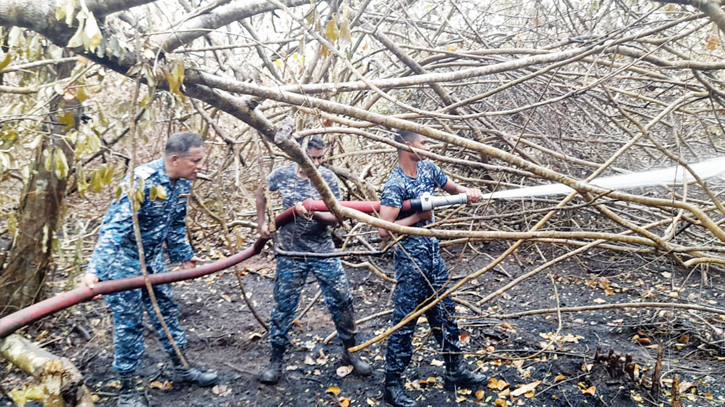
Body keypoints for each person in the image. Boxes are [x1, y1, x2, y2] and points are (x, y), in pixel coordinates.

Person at [80, 132, 218, 407]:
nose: (200, 166)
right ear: (176, 159)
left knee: (167, 314)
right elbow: (114, 227)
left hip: (154, 262)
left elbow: (176, 223)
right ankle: (127, 390)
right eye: (196, 161)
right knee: (129, 325)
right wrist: (96, 270)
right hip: (124, 263)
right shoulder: (140, 180)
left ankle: (182, 369)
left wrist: (184, 256)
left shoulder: (182, 183)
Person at [377, 130, 485, 407]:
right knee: (405, 323)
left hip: (433, 257)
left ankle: (455, 371)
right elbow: (383, 230)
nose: (429, 146)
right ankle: (392, 385)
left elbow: (452, 188)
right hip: (410, 263)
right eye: (423, 142)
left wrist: (468, 193)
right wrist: (416, 217)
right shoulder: (395, 183)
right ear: (404, 144)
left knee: (445, 315)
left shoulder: (428, 168)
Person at [255, 134, 372, 384]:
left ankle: (350, 353)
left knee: (342, 299)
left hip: (322, 250)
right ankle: (275, 360)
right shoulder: (281, 174)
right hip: (290, 251)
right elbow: (261, 192)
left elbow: (338, 217)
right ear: (299, 154)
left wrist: (314, 212)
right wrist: (262, 222)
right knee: (284, 306)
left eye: (320, 158)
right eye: (312, 158)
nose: (316, 163)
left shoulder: (327, 178)